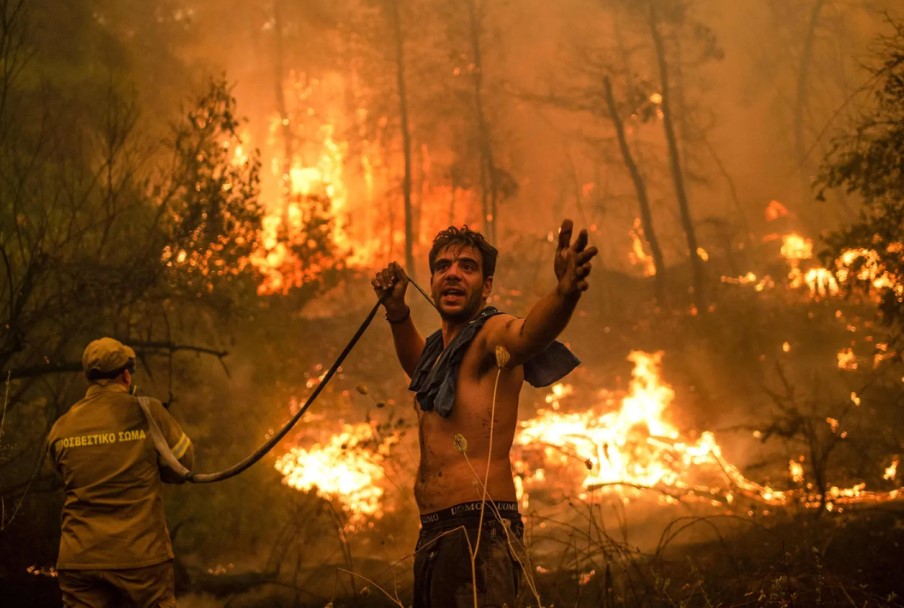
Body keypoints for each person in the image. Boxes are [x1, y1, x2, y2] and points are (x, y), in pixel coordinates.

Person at [372, 219, 597, 608]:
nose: (453, 274)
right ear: (432, 280)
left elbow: (526, 336)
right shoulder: (437, 354)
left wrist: (564, 294)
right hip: (435, 533)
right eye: (443, 267)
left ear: (487, 285)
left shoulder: (490, 335)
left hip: (481, 529)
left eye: (467, 266)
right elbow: (418, 371)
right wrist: (397, 312)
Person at [46, 337, 194, 608]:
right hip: (141, 559)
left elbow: (63, 477)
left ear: (88, 378)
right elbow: (184, 465)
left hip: (80, 559)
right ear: (126, 375)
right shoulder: (148, 412)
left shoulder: (61, 426)